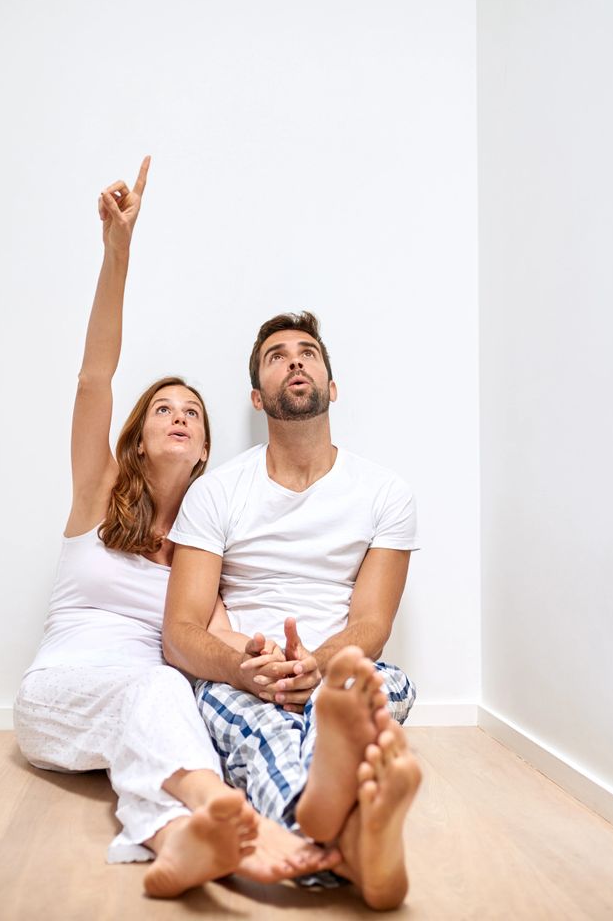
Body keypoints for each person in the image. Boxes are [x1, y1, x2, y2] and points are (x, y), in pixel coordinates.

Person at [13, 159, 339, 898]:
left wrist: (268, 666)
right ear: (139, 433)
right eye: (164, 407)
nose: (181, 415)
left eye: (193, 410)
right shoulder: (95, 494)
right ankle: (252, 835)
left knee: (167, 690)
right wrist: (117, 250)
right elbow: (95, 377)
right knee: (157, 691)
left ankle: (183, 841)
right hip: (59, 697)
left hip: (143, 705)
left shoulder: (202, 547)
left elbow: (215, 638)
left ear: (204, 450)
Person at [162, 311, 423, 908]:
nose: (295, 361)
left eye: (307, 352)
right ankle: (353, 832)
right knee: (263, 729)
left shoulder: (385, 492)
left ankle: (332, 808)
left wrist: (319, 664)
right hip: (242, 673)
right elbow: (178, 633)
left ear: (331, 386)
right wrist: (246, 670)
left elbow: (372, 626)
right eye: (277, 356)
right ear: (258, 396)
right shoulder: (217, 493)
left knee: (382, 687)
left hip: (344, 670)